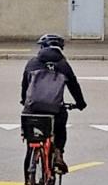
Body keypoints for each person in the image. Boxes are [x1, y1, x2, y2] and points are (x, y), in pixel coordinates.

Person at [20, 34, 87, 173]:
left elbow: (25, 86)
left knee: (30, 144)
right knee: (60, 125)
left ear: (42, 47)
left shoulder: (32, 63)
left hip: (32, 109)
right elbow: (74, 86)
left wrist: (24, 101)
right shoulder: (63, 65)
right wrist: (80, 103)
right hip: (55, 110)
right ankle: (58, 153)